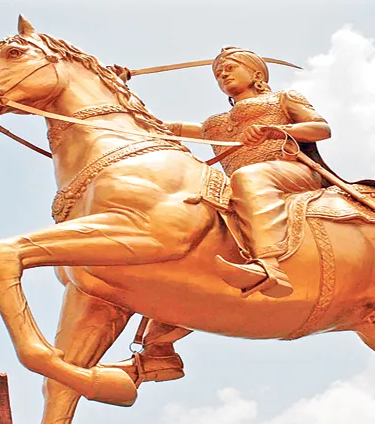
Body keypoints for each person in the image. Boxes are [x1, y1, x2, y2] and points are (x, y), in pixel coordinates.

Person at [105, 47, 332, 383]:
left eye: (229, 67)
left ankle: (270, 266)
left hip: (289, 174)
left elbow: (321, 128)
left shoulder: (283, 99)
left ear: (256, 73)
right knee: (191, 226)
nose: (223, 74)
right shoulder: (215, 125)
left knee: (249, 177)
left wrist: (277, 131)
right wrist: (116, 87)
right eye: (218, 73)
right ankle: (157, 350)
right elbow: (155, 126)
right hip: (240, 193)